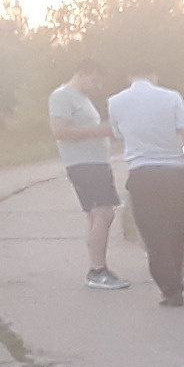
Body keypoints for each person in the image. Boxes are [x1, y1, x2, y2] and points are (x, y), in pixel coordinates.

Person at [106, 65, 184, 307]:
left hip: (143, 174)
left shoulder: (115, 102)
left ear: (129, 76)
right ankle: (175, 280)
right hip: (176, 174)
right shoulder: (172, 97)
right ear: (155, 75)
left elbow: (118, 134)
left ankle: (170, 289)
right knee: (175, 231)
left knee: (153, 234)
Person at [47, 61, 129, 290]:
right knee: (104, 214)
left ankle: (99, 267)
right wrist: (98, 130)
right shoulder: (62, 96)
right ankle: (97, 270)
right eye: (94, 80)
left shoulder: (83, 99)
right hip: (83, 164)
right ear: (80, 73)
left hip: (97, 162)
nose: (97, 85)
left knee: (96, 217)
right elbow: (59, 131)